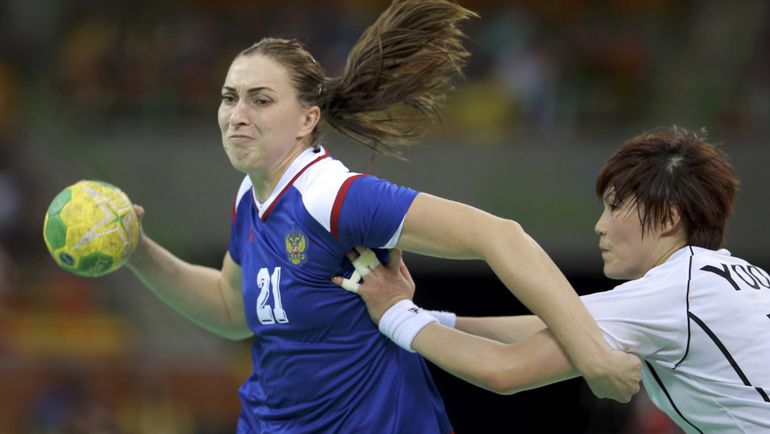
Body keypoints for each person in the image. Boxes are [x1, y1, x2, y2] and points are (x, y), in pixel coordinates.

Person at [126, 1, 640, 432]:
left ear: (307, 119)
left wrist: (591, 354)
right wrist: (138, 252)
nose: (237, 114)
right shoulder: (251, 195)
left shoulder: (331, 196)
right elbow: (231, 309)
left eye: (260, 100)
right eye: (229, 98)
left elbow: (500, 236)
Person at [337, 126, 770, 433]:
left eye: (615, 207)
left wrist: (394, 314)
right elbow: (558, 330)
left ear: (669, 218)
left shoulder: (673, 292)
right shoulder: (726, 280)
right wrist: (432, 318)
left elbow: (503, 371)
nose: (600, 226)